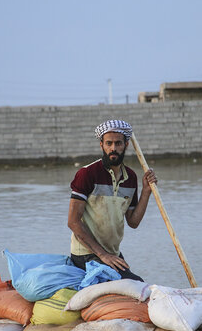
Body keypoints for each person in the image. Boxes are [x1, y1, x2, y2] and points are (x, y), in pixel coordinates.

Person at [67, 119, 157, 282]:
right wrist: (102, 255)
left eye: (118, 143)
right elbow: (73, 222)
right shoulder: (87, 174)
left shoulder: (131, 178)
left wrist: (146, 191)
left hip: (112, 253)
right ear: (101, 145)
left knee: (135, 284)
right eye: (109, 143)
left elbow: (133, 222)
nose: (113, 148)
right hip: (86, 254)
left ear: (126, 145)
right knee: (136, 284)